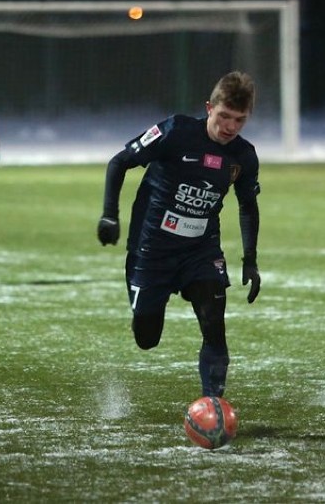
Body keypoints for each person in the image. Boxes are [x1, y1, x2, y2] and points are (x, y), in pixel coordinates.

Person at [97, 71, 262, 398]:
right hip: (151, 249)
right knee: (147, 338)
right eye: (224, 116)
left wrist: (251, 260)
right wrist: (109, 215)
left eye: (239, 120)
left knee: (214, 324)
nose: (230, 127)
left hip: (200, 252)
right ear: (209, 107)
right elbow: (119, 162)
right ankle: (147, 301)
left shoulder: (243, 156)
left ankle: (213, 404)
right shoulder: (174, 131)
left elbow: (247, 206)